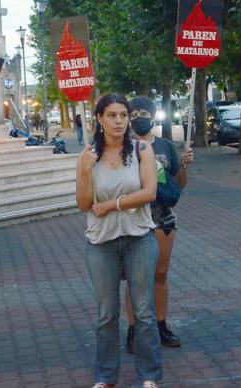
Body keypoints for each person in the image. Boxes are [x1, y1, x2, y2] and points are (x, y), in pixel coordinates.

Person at [76, 93, 163, 388]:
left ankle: (149, 376)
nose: (119, 121)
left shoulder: (142, 150)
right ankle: (105, 377)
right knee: (106, 315)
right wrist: (86, 171)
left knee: (144, 312)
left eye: (123, 115)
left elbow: (149, 193)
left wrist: (111, 205)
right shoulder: (88, 155)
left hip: (139, 238)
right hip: (101, 243)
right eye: (112, 115)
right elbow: (84, 203)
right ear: (99, 119)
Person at [123, 96, 194, 354]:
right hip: (134, 220)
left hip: (163, 219)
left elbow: (178, 185)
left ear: (154, 116)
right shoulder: (122, 147)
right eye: (135, 112)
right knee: (135, 278)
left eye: (145, 112)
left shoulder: (165, 146)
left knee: (160, 274)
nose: (139, 117)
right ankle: (133, 330)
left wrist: (184, 166)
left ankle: (161, 325)